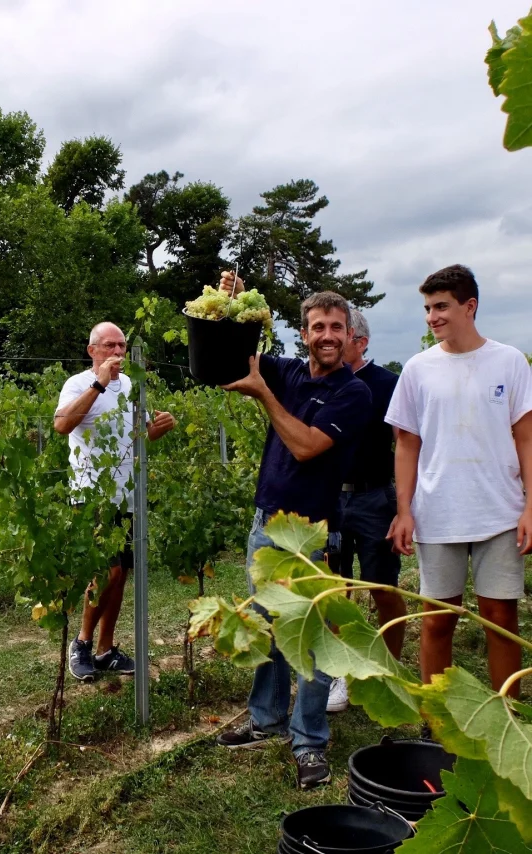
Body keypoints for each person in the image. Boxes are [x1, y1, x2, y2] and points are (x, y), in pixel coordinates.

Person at [215, 275, 372, 789]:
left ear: (349, 334)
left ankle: (309, 741)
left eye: (336, 327)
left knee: (307, 639)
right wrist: (234, 303)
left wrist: (264, 395)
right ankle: (266, 721)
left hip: (313, 536)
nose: (327, 335)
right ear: (303, 334)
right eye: (317, 327)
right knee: (266, 627)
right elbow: (231, 358)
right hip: (266, 525)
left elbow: (305, 446)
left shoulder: (354, 394)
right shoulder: (285, 372)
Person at [386, 264, 532, 698]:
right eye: (428, 308)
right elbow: (407, 445)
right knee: (436, 619)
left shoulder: (508, 361)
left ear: (470, 307)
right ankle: (437, 721)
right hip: (438, 512)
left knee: (501, 618)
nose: (432, 316)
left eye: (441, 306)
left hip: (500, 512)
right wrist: (404, 510)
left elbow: (525, 438)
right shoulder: (417, 369)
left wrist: (530, 506)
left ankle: (507, 717)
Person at [54, 322, 175, 682]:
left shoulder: (133, 386)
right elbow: (62, 426)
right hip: (91, 496)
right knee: (107, 572)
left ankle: (106, 650)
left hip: (128, 495)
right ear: (92, 350)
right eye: (110, 346)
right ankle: (82, 643)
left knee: (121, 574)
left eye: (122, 346)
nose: (119, 353)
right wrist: (99, 383)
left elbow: (141, 434)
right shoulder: (78, 383)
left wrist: (159, 428)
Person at [326, 309, 406, 714]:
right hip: (331, 499)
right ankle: (341, 672)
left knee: (383, 587)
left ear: (361, 342)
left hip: (375, 498)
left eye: (344, 336)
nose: (335, 345)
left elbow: (406, 446)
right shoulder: (325, 382)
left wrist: (404, 507)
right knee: (335, 591)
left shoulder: (388, 384)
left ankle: (386, 669)